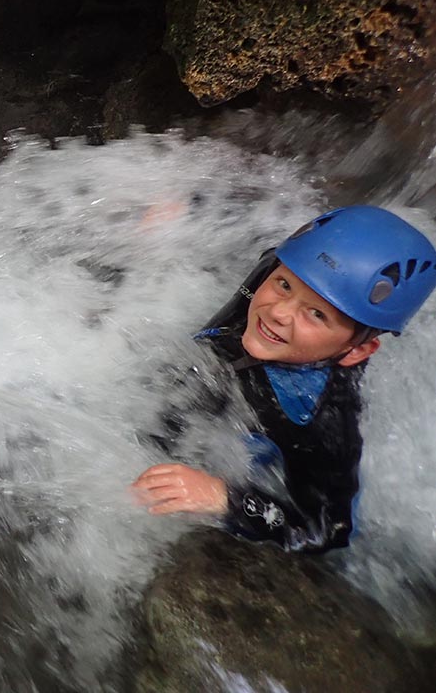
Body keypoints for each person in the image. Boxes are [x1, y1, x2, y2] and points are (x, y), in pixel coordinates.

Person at [132, 205, 436, 552]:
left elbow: (329, 530)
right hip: (196, 384)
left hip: (233, 439)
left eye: (317, 314)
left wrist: (228, 499)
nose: (278, 312)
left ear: (357, 352)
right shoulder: (273, 270)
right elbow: (243, 218)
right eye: (284, 284)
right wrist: (186, 213)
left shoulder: (319, 421)